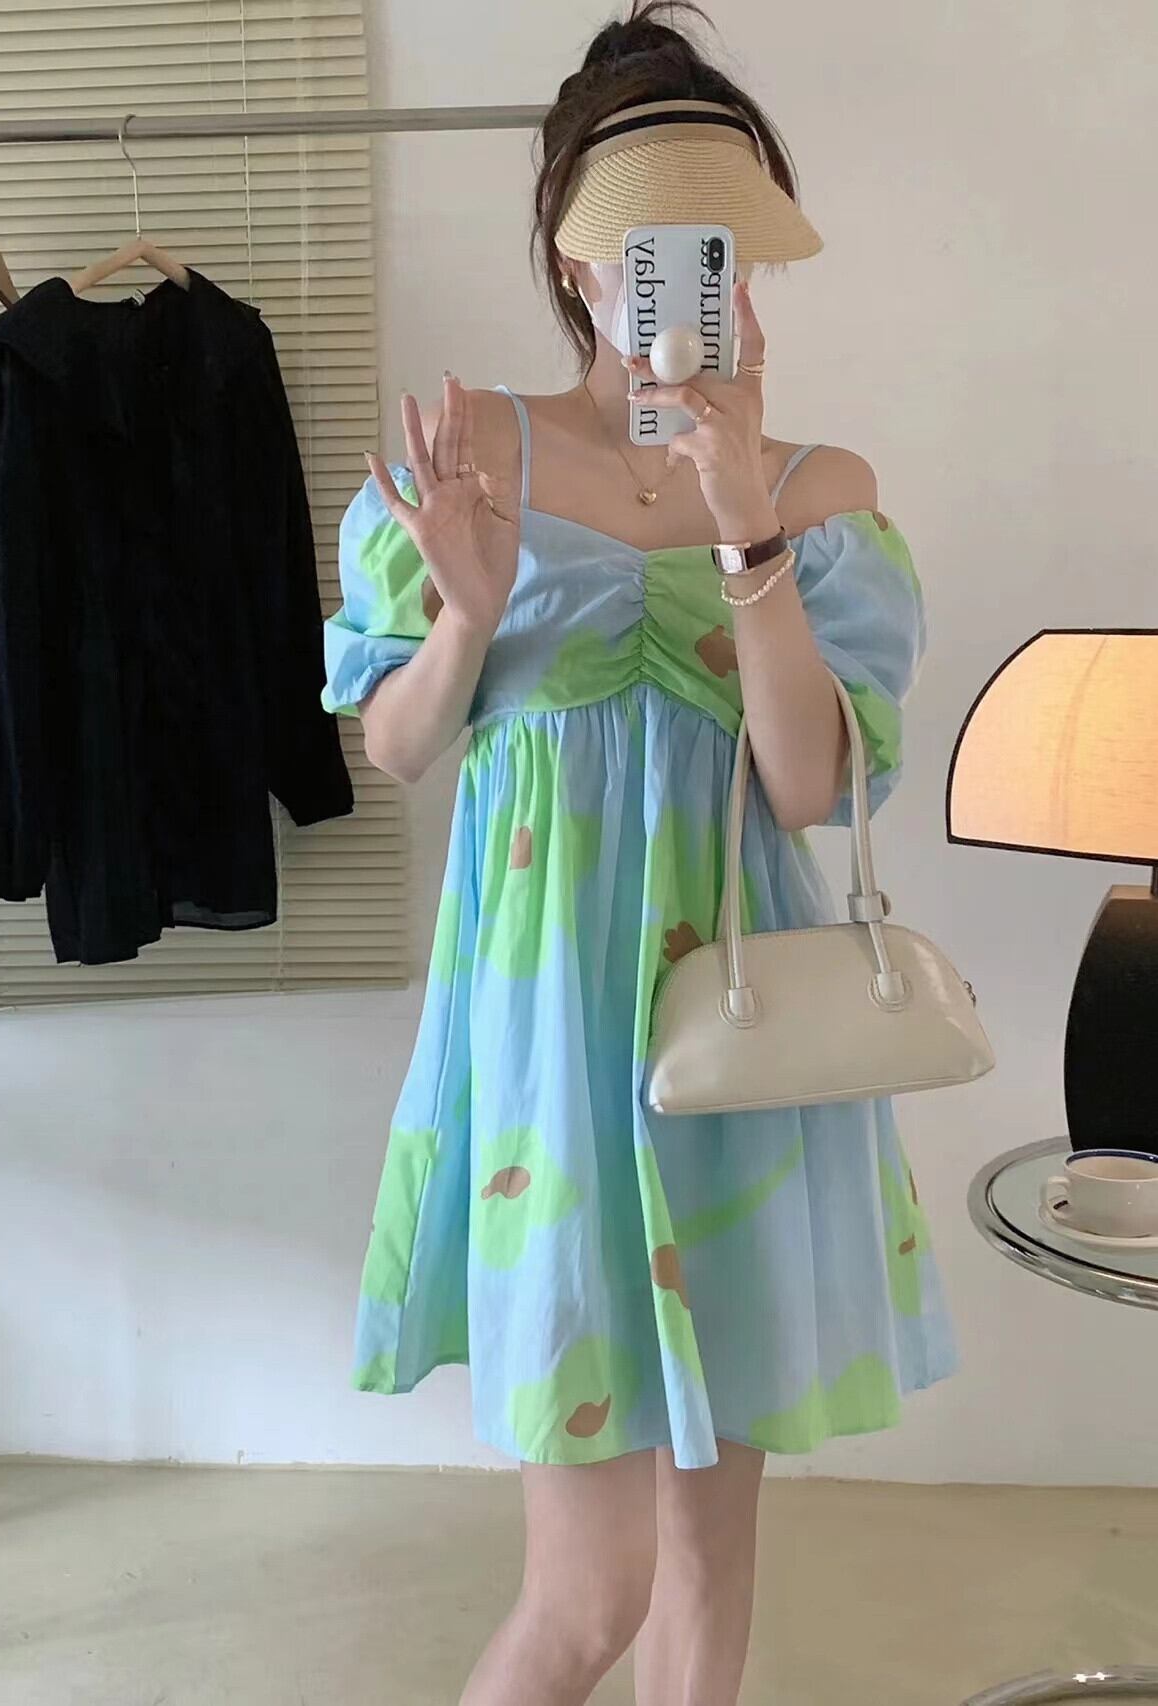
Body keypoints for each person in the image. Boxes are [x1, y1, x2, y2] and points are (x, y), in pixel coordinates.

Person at [321, 5, 954, 1702]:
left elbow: (807, 785)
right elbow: (395, 746)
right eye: (653, 248)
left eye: (720, 249)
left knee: (705, 1572)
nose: (693, 284)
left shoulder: (818, 487)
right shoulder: (466, 458)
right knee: (586, 1589)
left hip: (735, 1046)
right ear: (573, 260)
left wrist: (746, 523)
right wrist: (466, 614)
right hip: (547, 1053)